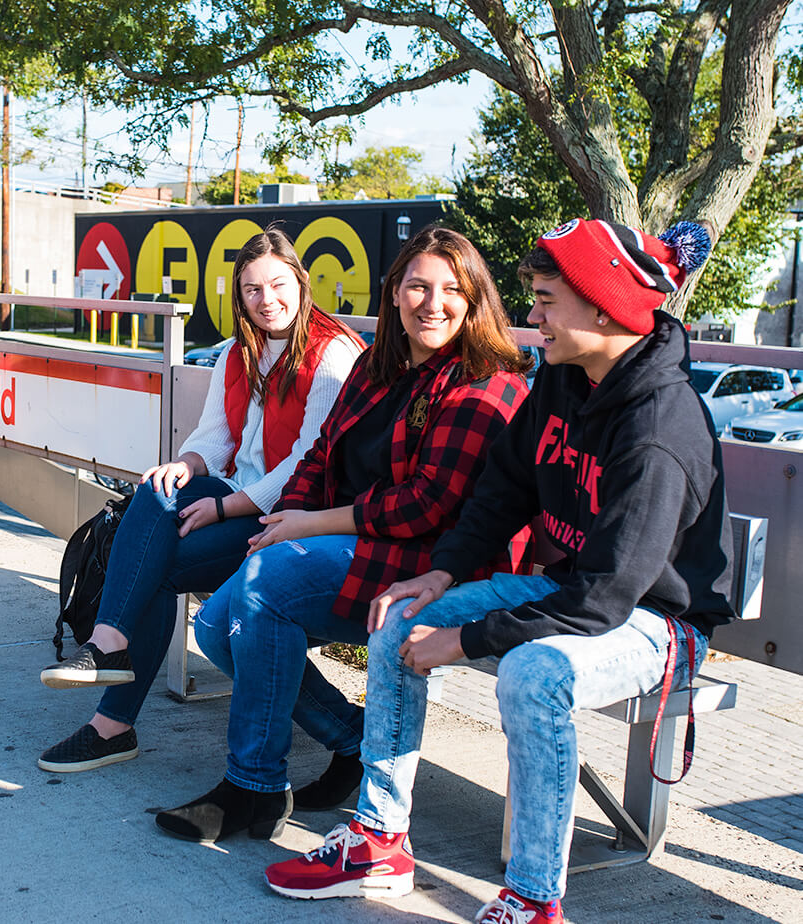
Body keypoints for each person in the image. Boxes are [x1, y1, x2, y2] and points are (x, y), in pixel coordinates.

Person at [264, 218, 737, 923]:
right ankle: (380, 839)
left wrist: (471, 639)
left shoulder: (659, 430)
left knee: (531, 674)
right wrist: (442, 575)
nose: (532, 315)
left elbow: (606, 599)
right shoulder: (565, 379)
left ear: (603, 308)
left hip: (656, 620)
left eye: (546, 299)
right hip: (574, 591)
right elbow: (504, 488)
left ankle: (535, 898)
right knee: (403, 618)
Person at [151, 225, 535, 845]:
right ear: (394, 293)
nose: (431, 303)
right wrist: (284, 519)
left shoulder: (484, 380)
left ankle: (252, 786)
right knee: (216, 627)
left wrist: (308, 525)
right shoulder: (378, 367)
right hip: (359, 544)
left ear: (474, 300)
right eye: (416, 286)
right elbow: (320, 455)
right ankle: (353, 739)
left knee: (265, 586)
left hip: (439, 563)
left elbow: (430, 505)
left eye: (449, 290)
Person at [37, 227, 364, 772]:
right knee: (156, 490)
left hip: (297, 515)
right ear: (239, 296)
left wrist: (225, 507)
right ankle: (108, 648)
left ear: (302, 282)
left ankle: (111, 721)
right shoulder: (239, 351)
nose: (267, 301)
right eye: (253, 291)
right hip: (236, 495)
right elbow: (213, 439)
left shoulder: (333, 356)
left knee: (158, 566)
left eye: (278, 284)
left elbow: (311, 463)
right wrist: (184, 466)